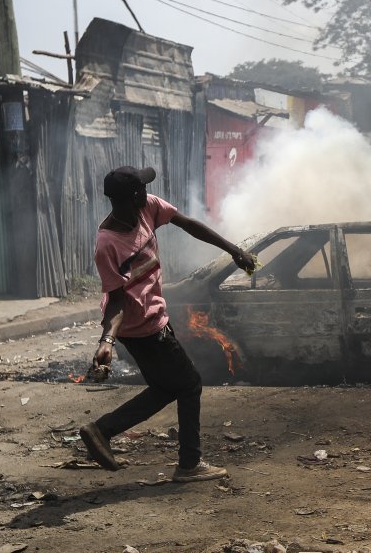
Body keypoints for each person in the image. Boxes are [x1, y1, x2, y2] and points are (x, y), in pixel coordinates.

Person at [79, 165, 256, 482]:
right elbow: (117, 299)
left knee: (165, 388)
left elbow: (188, 224)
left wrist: (233, 250)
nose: (147, 192)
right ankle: (189, 464)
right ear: (131, 197)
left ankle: (102, 430)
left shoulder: (147, 208)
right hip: (143, 329)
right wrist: (106, 342)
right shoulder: (107, 244)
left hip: (153, 319)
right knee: (189, 384)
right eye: (142, 189)